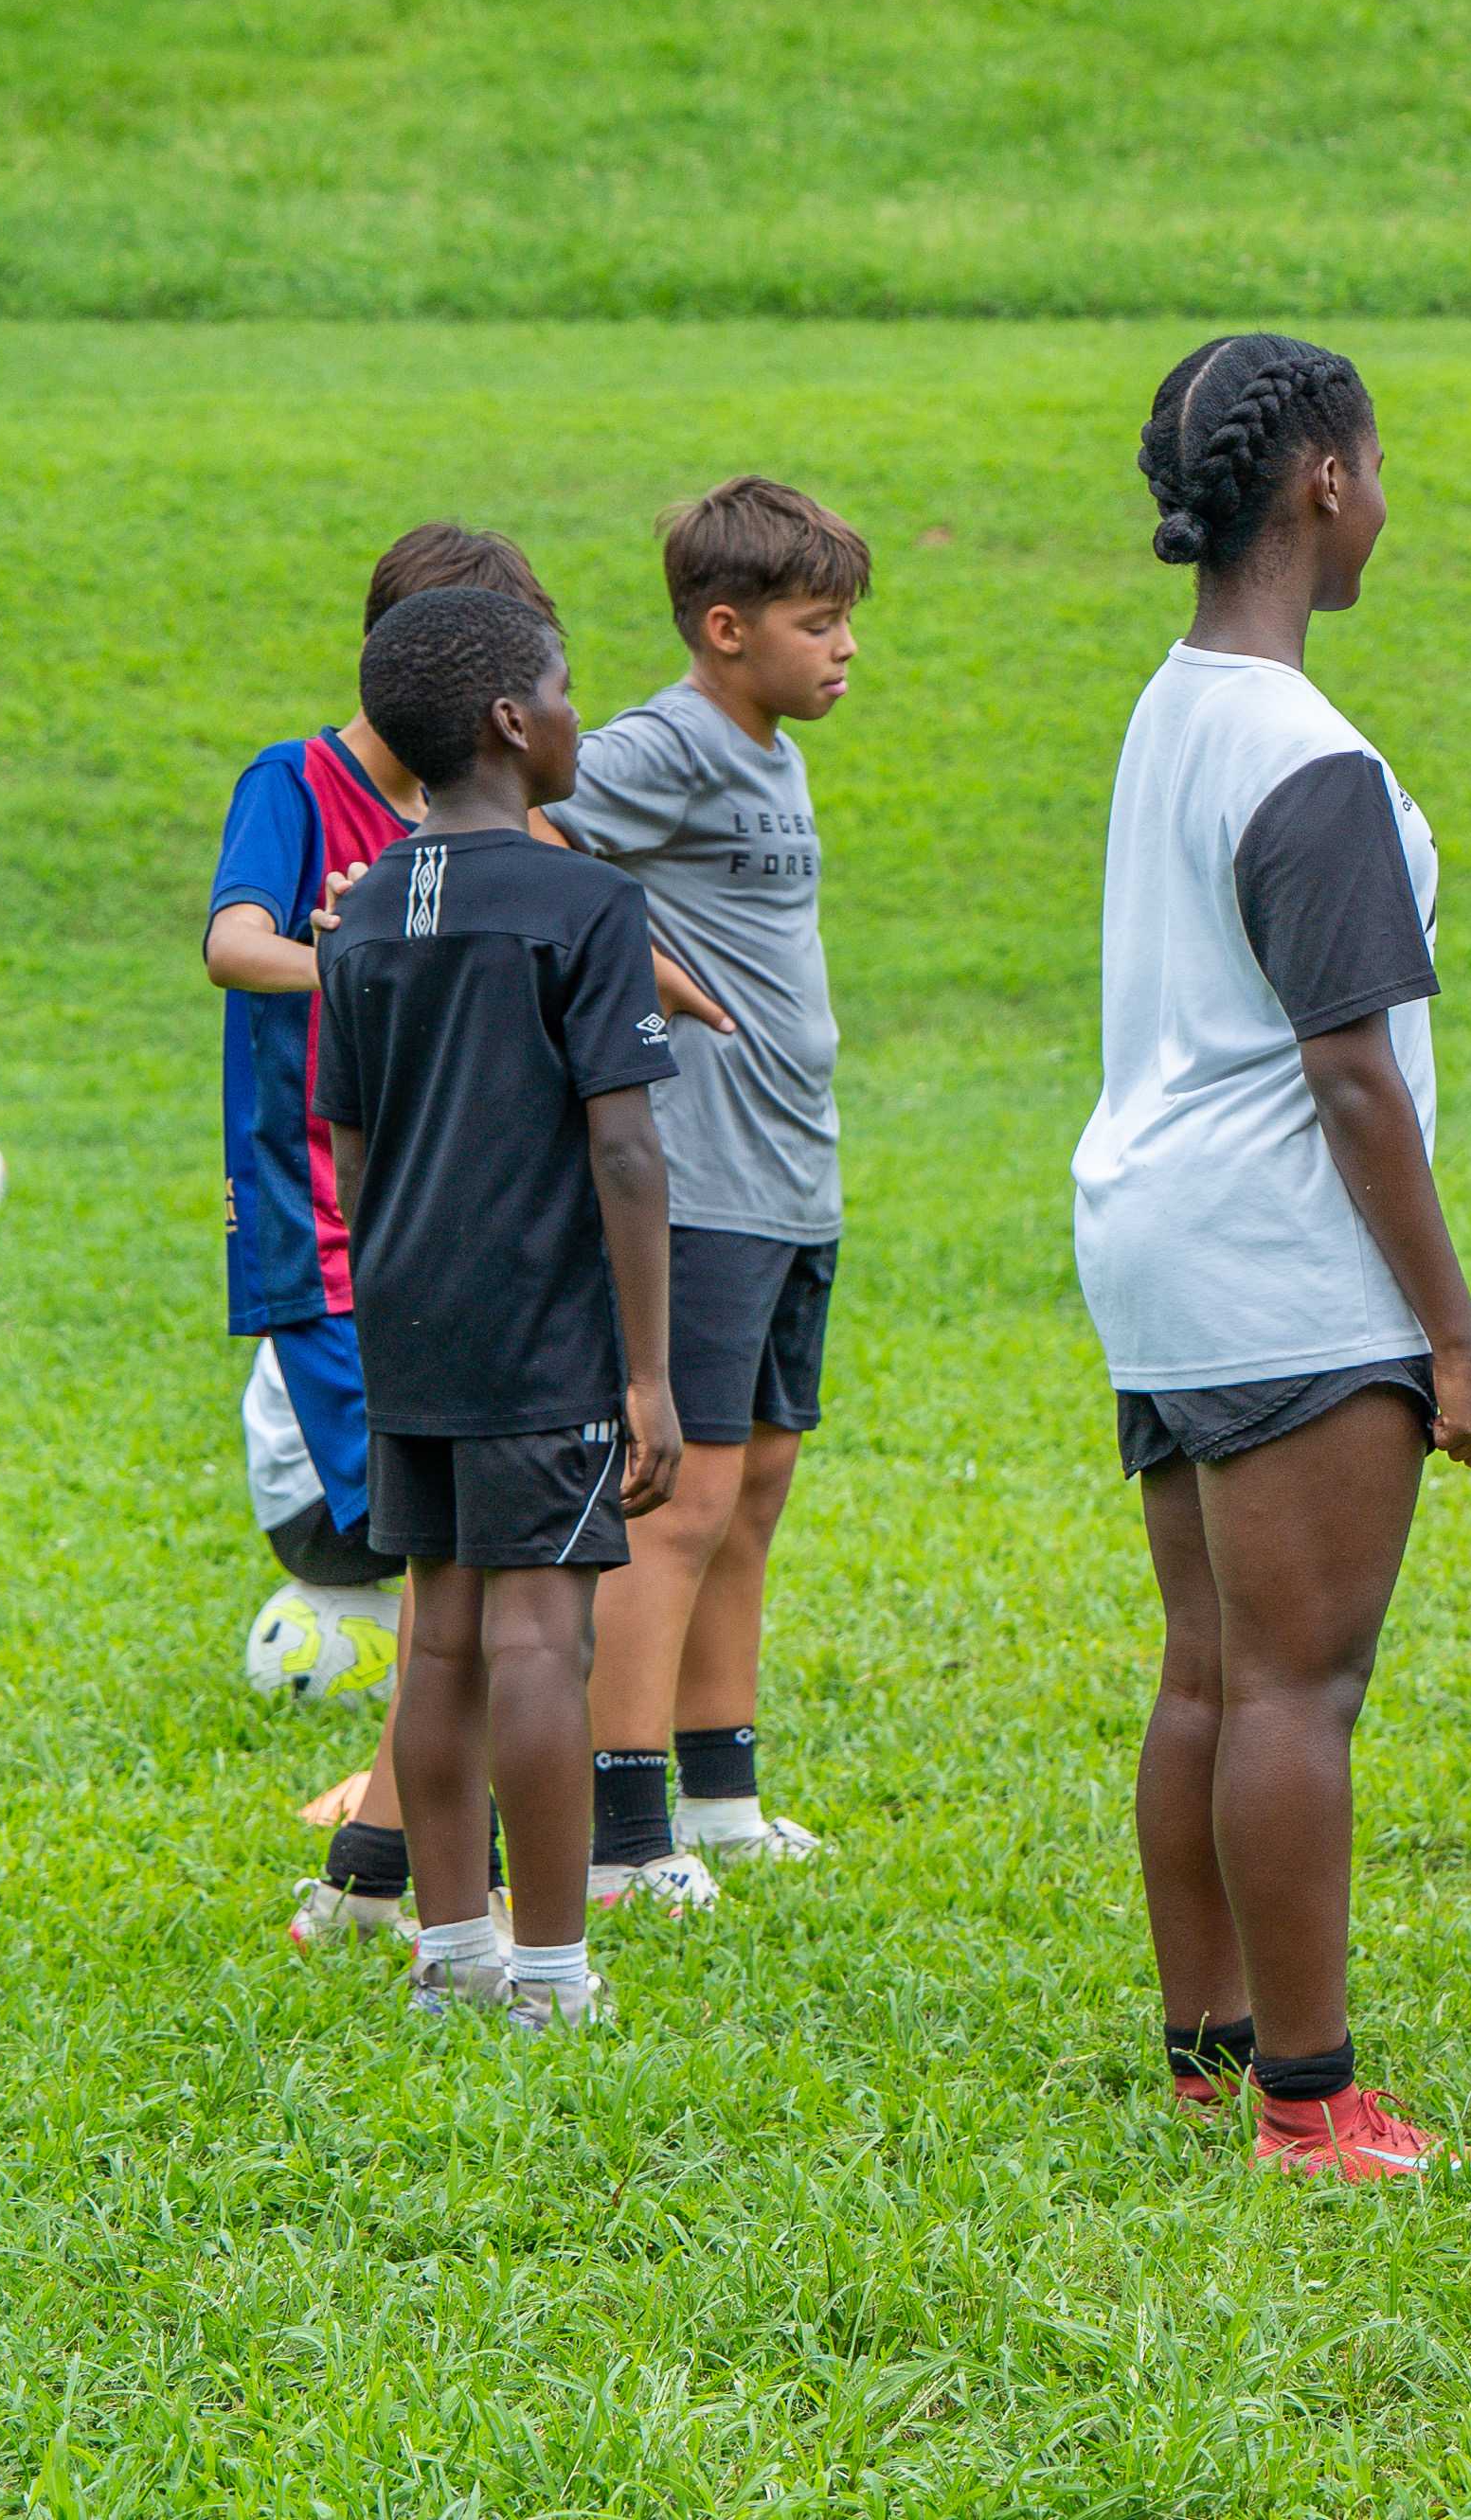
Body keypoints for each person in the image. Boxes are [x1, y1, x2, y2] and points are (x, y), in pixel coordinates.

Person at [1078, 335, 1471, 2180]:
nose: (1387, 496)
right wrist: (1456, 1336)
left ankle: (1211, 2052)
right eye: (1379, 461)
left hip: (1158, 1241)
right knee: (1293, 1689)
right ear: (1324, 480)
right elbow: (1351, 1076)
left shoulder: (1176, 698)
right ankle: (1306, 2101)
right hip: (1284, 1256)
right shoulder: (1309, 758)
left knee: (1211, 1667)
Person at [313, 584, 689, 2028]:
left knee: (445, 1640)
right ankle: (549, 1975)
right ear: (511, 722)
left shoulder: (358, 922)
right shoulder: (584, 901)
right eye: (569, 686)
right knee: (546, 1644)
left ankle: (449, 1955)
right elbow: (625, 1146)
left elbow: (349, 1150)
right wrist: (648, 1376)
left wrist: (409, 1268)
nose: (583, 712)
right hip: (542, 1335)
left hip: (406, 1327)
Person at [207, 523, 569, 1951]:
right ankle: (412, 1869)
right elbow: (235, 941)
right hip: (323, 1221)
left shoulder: (473, 809)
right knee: (448, 1561)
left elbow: (564, 898)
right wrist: (372, 971)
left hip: (443, 1229)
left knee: (454, 1560)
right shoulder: (295, 784)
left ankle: (373, 1874)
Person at [551, 476, 872, 1905]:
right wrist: (633, 962)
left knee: (757, 1489)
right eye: (818, 624)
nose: (844, 648)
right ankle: (625, 1845)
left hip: (793, 1172)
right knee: (677, 1504)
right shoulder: (670, 741)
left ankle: (723, 1797)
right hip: (705, 1176)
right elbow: (509, 822)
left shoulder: (769, 746)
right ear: (727, 628)